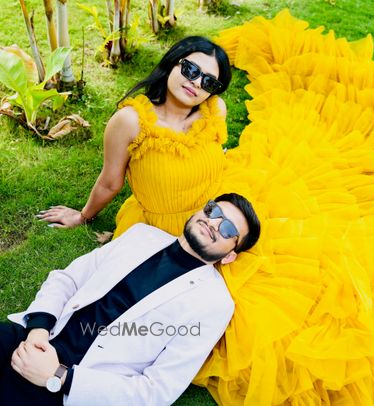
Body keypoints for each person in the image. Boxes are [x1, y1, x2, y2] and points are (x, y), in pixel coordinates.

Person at [1, 193, 261, 406]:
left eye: (228, 229)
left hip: (72, 386)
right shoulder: (142, 235)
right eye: (214, 211)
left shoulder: (214, 303)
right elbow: (67, 279)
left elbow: (157, 391)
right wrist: (38, 331)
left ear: (230, 256)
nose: (214, 223)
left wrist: (59, 376)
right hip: (34, 337)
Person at [37, 36, 232, 237]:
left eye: (209, 82)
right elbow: (110, 183)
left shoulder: (215, 110)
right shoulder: (130, 122)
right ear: (172, 62)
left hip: (219, 212)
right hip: (163, 229)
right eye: (191, 70)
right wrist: (83, 216)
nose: (197, 83)